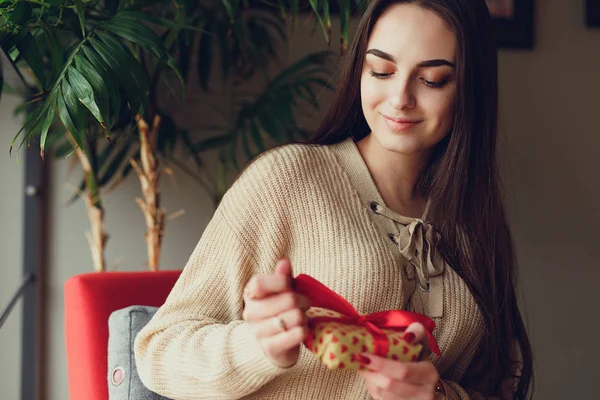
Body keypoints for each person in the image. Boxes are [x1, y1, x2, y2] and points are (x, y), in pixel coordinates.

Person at [134, 0, 534, 399]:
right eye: (381, 70)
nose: (399, 98)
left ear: (470, 87)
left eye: (431, 80)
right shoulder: (287, 179)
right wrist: (259, 345)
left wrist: (439, 395)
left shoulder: (472, 224)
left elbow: (497, 387)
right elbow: (159, 352)